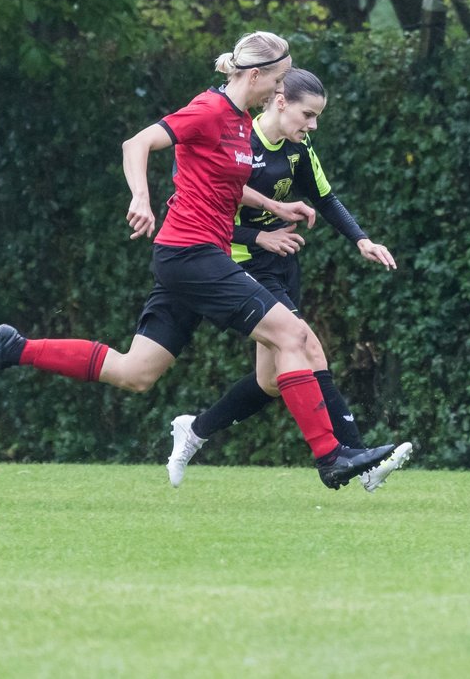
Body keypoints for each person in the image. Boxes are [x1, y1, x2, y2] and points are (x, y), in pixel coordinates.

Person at [0, 31, 397, 489]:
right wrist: (141, 199)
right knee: (292, 335)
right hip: (193, 253)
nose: (280, 92)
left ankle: (15, 347)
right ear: (256, 76)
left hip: (186, 256)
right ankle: (332, 457)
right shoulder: (210, 110)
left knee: (136, 373)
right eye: (280, 81)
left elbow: (220, 181)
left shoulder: (240, 121)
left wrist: (275, 208)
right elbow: (137, 143)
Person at [164, 68, 413, 491]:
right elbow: (201, 210)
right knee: (307, 344)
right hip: (240, 263)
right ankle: (357, 458)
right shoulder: (239, 141)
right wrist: (258, 234)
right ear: (280, 101)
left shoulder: (299, 148)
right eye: (308, 114)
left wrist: (362, 240)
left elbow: (326, 198)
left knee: (270, 381)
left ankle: (196, 429)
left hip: (280, 264)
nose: (312, 125)